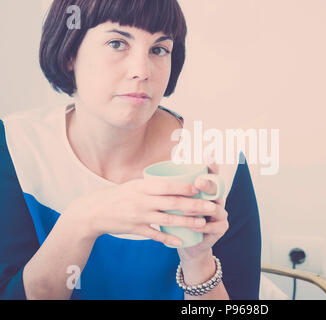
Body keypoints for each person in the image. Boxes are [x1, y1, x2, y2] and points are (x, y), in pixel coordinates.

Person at [0, 0, 261, 300]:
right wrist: (82, 221)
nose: (142, 71)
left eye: (159, 49)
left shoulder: (218, 161)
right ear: (70, 51)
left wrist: (197, 260)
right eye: (116, 43)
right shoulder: (16, 147)